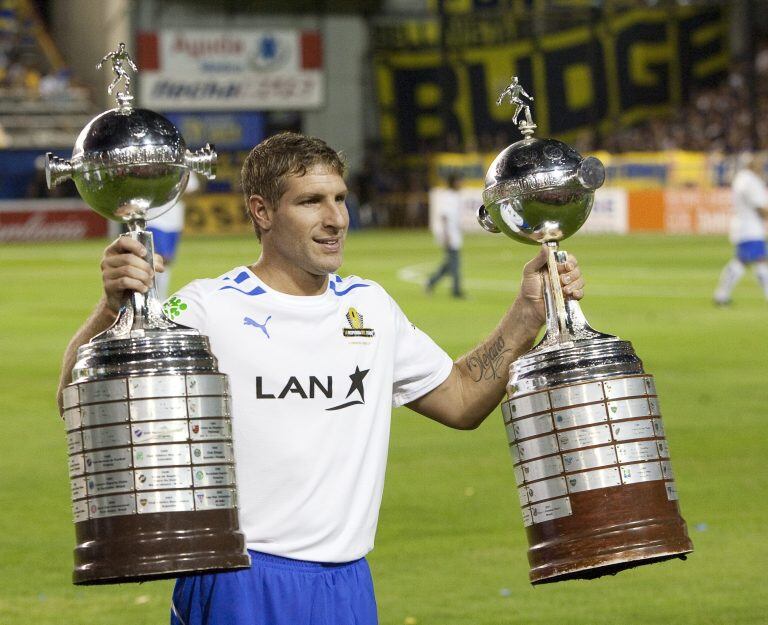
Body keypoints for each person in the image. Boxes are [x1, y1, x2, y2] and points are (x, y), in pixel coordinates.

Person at [57, 132, 584, 625]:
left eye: (340, 198)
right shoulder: (207, 308)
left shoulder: (370, 306)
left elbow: (463, 398)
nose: (336, 218)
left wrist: (526, 313)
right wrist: (110, 310)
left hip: (348, 583)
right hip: (239, 580)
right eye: (311, 201)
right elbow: (74, 400)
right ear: (262, 212)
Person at [713, 152, 768, 306]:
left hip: (747, 227)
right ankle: (721, 295)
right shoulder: (749, 181)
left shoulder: (743, 179)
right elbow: (760, 208)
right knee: (756, 260)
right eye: (757, 161)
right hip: (749, 228)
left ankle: (721, 295)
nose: (761, 164)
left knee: (748, 261)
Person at [147, 172, 200, 299]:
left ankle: (160, 297)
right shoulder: (154, 168)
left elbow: (193, 189)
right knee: (159, 258)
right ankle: (153, 298)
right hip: (155, 219)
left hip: (174, 221)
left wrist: (173, 191)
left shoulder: (183, 167)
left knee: (168, 261)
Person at [426, 172, 465, 298]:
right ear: (453, 182)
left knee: (449, 264)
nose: (461, 183)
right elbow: (444, 217)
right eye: (459, 181)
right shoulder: (448, 196)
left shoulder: (455, 196)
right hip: (449, 235)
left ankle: (431, 281)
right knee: (455, 264)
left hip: (453, 234)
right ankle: (456, 291)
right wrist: (446, 235)